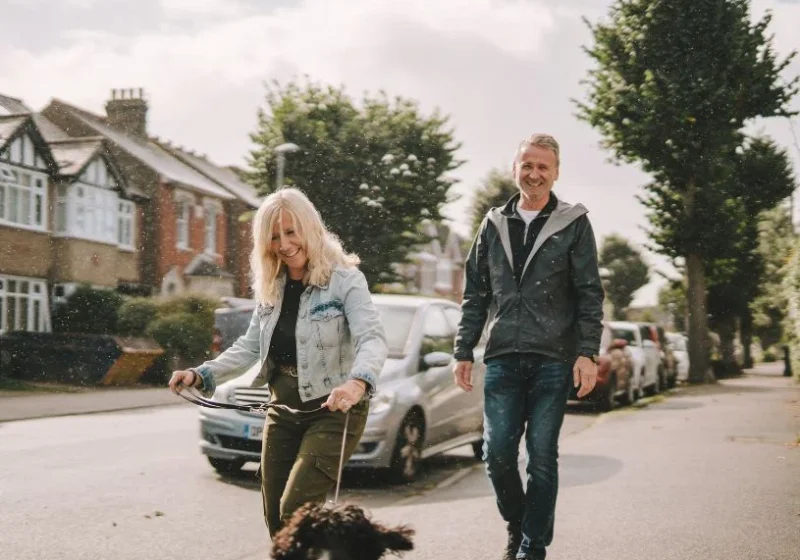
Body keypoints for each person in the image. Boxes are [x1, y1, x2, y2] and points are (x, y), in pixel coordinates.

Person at [169, 187, 388, 538]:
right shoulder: (274, 285)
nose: (284, 244)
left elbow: (372, 338)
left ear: (310, 229)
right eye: (273, 237)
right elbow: (250, 345)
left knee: (296, 512)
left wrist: (357, 383)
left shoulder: (345, 280)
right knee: (275, 519)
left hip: (334, 410)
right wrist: (201, 373)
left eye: (291, 232)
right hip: (282, 407)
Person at [453, 134, 604, 560]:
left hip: (553, 359)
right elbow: (476, 294)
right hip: (502, 356)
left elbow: (590, 293)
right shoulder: (494, 223)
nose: (534, 174)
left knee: (541, 457)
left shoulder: (573, 223)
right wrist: (463, 350)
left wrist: (587, 353)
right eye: (527, 165)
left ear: (556, 172)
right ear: (514, 168)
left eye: (543, 167)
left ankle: (531, 548)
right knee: (496, 455)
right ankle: (520, 525)